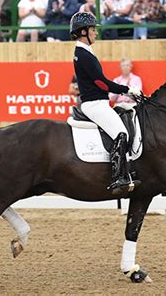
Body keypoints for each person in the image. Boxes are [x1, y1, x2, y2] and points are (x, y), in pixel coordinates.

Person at [70, 12, 142, 195]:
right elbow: (100, 82)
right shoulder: (82, 53)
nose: (96, 33)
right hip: (94, 103)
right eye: (93, 29)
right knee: (121, 133)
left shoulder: (85, 51)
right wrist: (126, 90)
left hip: (98, 102)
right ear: (83, 31)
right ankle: (118, 178)